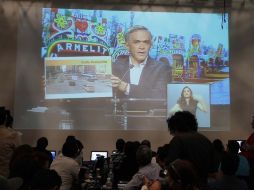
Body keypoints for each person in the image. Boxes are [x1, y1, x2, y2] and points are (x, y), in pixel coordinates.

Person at [111, 25, 171, 100]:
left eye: (146, 42)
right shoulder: (114, 67)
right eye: (137, 42)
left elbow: (160, 95)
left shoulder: (163, 69)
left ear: (150, 45)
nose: (142, 47)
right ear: (127, 46)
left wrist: (126, 87)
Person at [166, 111, 216, 190]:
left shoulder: (178, 139)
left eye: (172, 131)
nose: (172, 134)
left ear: (175, 128)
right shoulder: (206, 140)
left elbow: (171, 167)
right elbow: (213, 169)